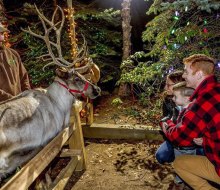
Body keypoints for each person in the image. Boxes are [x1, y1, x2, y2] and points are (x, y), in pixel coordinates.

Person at [161, 54, 220, 189]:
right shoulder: (216, 90)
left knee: (179, 163)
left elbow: (180, 137)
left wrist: (166, 125)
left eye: (187, 72)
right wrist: (206, 140)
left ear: (199, 74)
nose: (183, 76)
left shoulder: (202, 102)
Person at [160, 81, 204, 189]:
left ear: (187, 98)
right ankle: (181, 179)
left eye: (175, 96)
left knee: (184, 164)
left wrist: (169, 125)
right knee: (183, 163)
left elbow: (179, 133)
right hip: (185, 145)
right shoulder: (186, 108)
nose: (173, 99)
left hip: (185, 147)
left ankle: (185, 181)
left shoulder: (189, 113)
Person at [155, 70, 184, 164]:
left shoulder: (189, 102)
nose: (165, 87)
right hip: (173, 135)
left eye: (168, 85)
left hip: (188, 140)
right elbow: (166, 115)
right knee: (160, 156)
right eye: (165, 84)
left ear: (179, 85)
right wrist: (163, 122)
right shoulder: (167, 98)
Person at [0, 22, 30, 102]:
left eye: (2, 33)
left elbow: (24, 77)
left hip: (17, 105)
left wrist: (27, 96)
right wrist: (11, 99)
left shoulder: (13, 54)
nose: (1, 36)